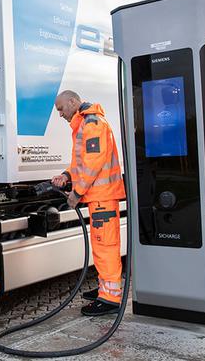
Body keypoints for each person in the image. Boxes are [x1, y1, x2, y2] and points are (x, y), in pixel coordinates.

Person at [51, 90, 126, 316]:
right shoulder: (84, 124)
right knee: (101, 245)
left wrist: (76, 193)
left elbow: (93, 164)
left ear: (73, 102)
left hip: (103, 197)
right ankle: (106, 288)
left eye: (61, 109)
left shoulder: (92, 123)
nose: (60, 114)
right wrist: (66, 175)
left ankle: (110, 298)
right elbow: (80, 163)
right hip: (99, 197)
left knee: (106, 246)